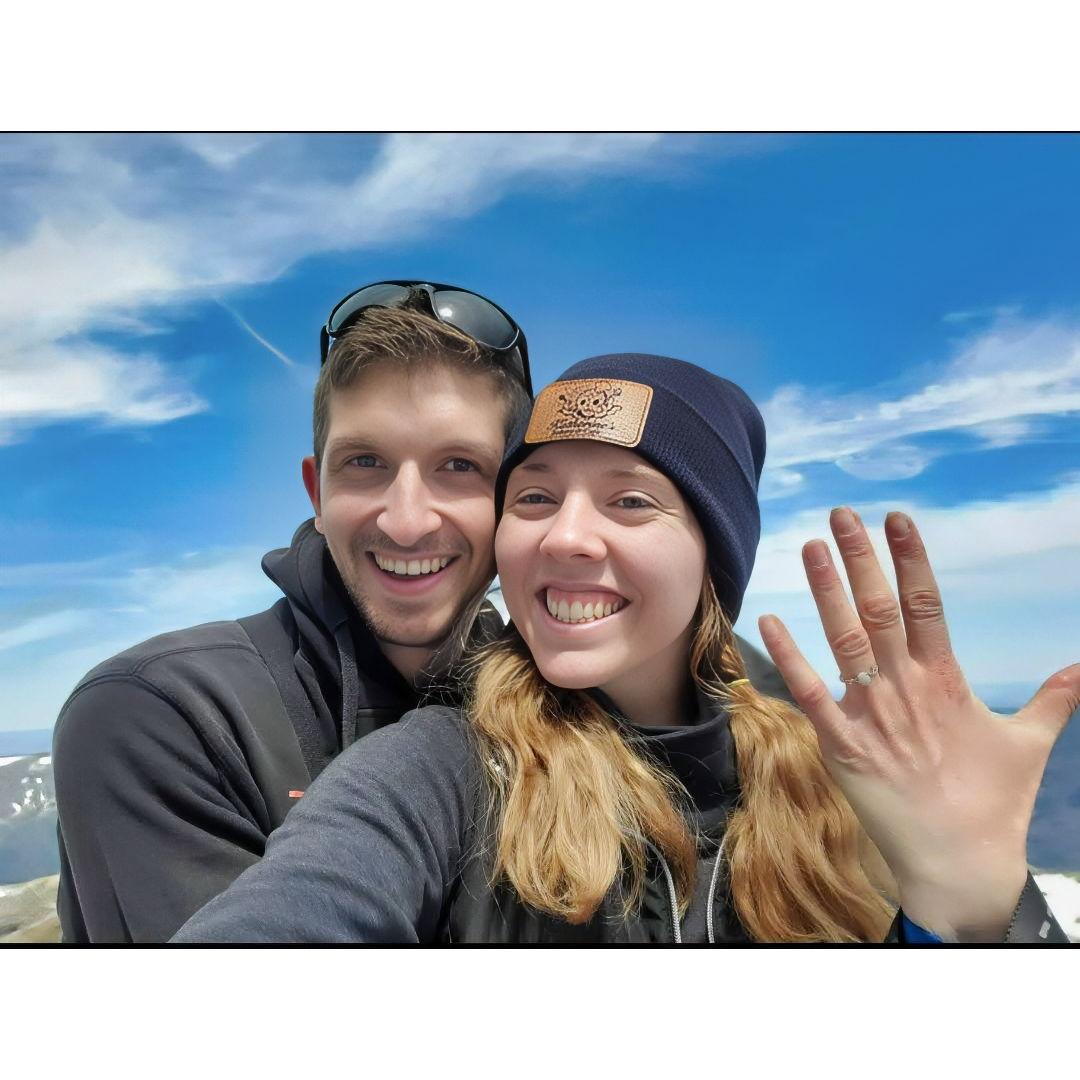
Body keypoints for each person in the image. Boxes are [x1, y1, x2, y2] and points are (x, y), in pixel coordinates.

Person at [175, 353, 1075, 944]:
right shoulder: (441, 770)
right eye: (532, 497)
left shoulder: (839, 784)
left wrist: (973, 911)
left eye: (630, 501)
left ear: (714, 561)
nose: (565, 537)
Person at [52, 287, 788, 943]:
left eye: (459, 466)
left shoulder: (589, 702)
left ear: (504, 499)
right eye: (365, 463)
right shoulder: (165, 712)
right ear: (317, 489)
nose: (406, 522)